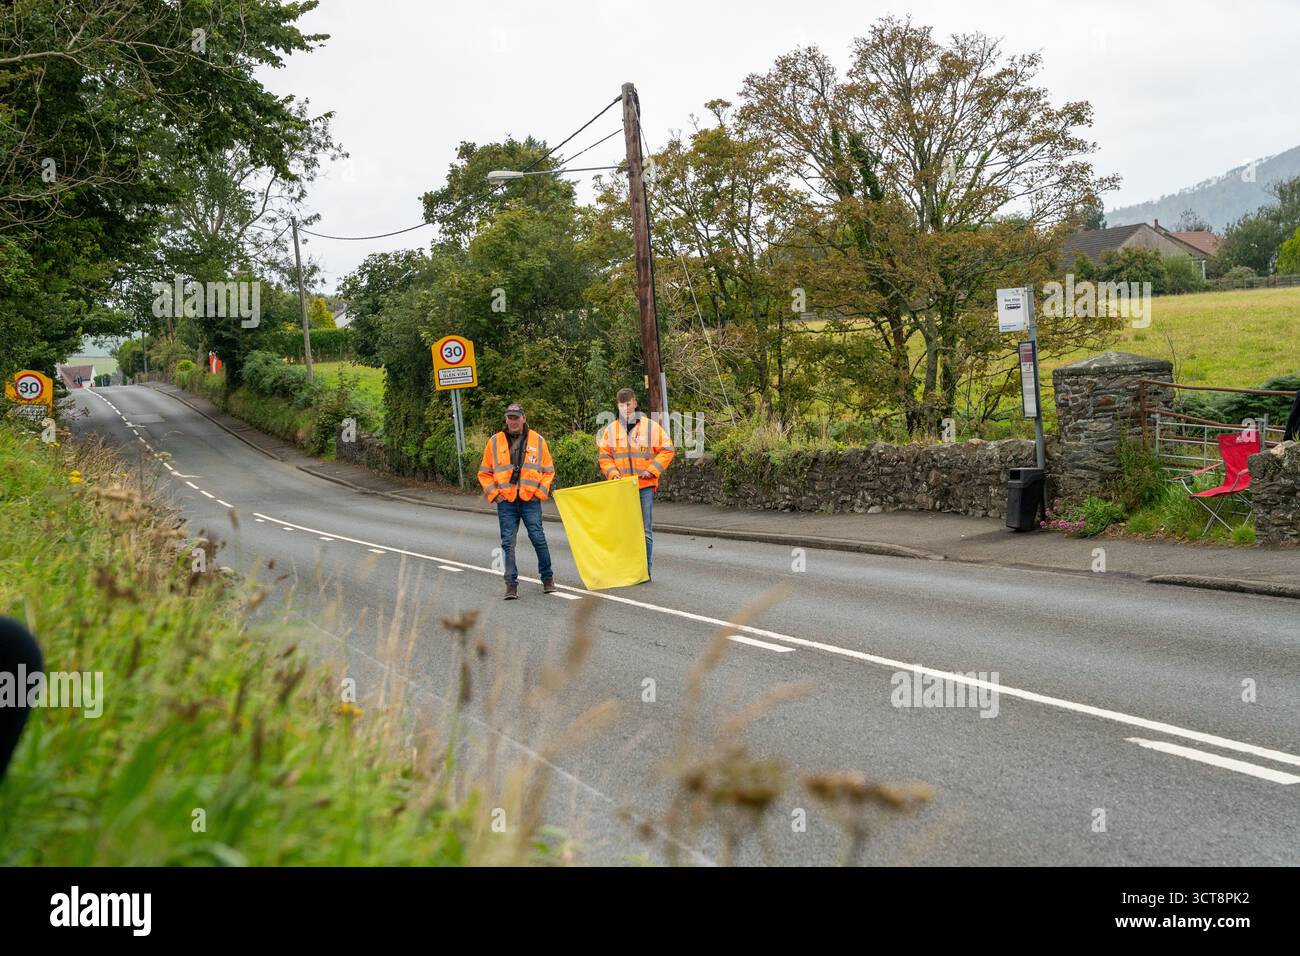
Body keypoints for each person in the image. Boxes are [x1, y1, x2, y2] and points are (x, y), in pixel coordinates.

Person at [478, 403, 557, 600]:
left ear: (523, 417)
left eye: (516, 417)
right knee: (507, 543)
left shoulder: (538, 441)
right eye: (509, 417)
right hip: (506, 501)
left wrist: (540, 492)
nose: (512, 421)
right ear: (506, 419)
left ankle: (548, 579)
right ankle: (511, 585)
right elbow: (484, 473)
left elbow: (548, 471)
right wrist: (494, 494)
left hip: (530, 499)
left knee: (538, 538)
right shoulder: (494, 442)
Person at [597, 388, 675, 581]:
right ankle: (628, 569)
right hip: (622, 487)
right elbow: (604, 456)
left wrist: (652, 470)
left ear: (635, 403)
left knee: (645, 531)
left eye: (629, 404)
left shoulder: (650, 427)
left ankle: (645, 572)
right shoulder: (611, 430)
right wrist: (613, 474)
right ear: (618, 406)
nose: (626, 408)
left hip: (644, 485)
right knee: (625, 531)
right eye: (622, 405)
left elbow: (667, 449)